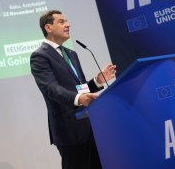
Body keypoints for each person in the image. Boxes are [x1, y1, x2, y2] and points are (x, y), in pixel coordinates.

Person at [30, 10, 116, 169]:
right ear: (48, 28)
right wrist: (78, 99)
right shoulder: (40, 56)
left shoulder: (71, 54)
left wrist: (97, 81)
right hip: (69, 130)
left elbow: (80, 89)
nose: (68, 24)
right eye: (61, 22)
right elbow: (50, 88)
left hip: (90, 127)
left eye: (67, 21)